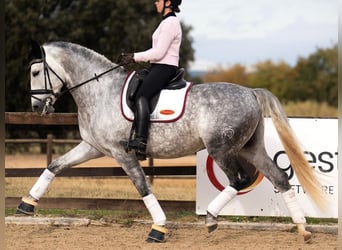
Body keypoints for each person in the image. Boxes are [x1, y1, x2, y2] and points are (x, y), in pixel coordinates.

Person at [120, 0, 182, 157]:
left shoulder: (170, 23)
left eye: (158, 0)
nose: (155, 3)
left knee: (142, 95)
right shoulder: (166, 22)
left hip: (164, 67)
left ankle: (141, 140)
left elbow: (158, 53)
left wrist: (134, 57)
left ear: (168, 2)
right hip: (158, 67)